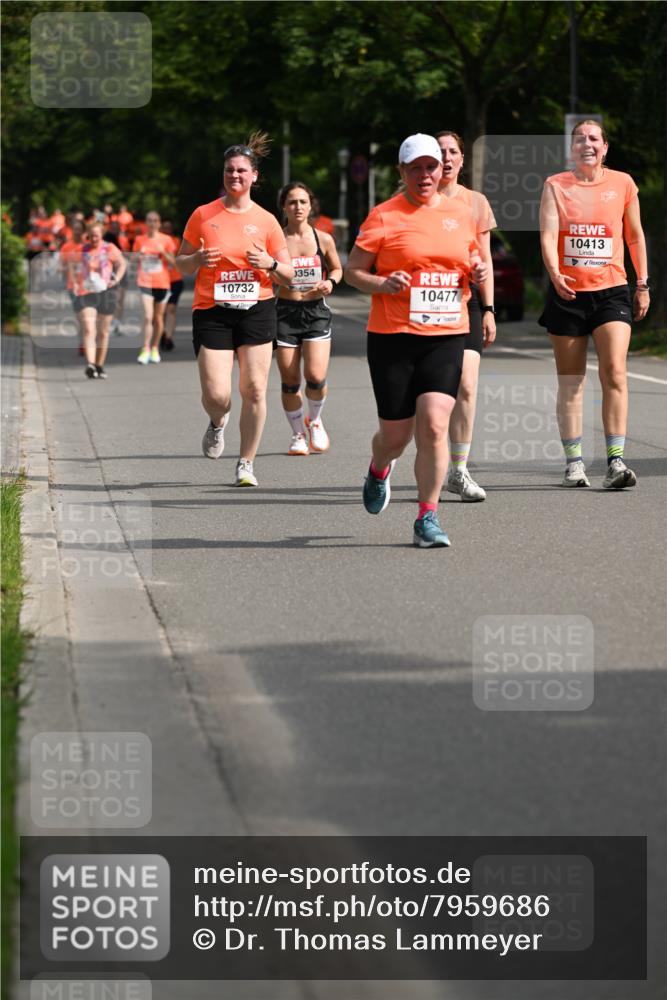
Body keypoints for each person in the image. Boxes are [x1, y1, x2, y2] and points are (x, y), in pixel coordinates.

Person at [345, 134, 485, 548]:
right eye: (416, 168)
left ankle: (427, 516)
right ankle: (378, 468)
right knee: (396, 435)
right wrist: (382, 283)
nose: (425, 175)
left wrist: (476, 273)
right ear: (402, 172)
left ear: (442, 170)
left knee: (436, 424)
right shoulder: (384, 216)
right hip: (393, 337)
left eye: (432, 167)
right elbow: (354, 271)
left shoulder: (462, 214)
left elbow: (473, 260)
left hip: (446, 334)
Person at [175, 132, 293, 487]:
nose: (235, 176)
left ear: (254, 176)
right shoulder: (203, 215)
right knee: (217, 395)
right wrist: (196, 258)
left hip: (257, 307)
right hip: (212, 309)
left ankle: (246, 462)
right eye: (229, 170)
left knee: (255, 390)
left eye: (242, 170)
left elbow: (289, 276)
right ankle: (217, 421)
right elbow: (180, 263)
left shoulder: (268, 221)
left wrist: (270, 263)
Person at [539, 119, 649, 489]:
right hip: (568, 293)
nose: (586, 143)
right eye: (579, 138)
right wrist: (555, 273)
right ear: (572, 148)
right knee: (572, 381)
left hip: (612, 290)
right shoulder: (556, 185)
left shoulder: (622, 183)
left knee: (614, 371)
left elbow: (634, 236)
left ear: (605, 148)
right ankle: (574, 463)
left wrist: (643, 284)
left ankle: (616, 463)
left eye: (594, 138)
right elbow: (549, 233)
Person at [436, 131, 497, 502]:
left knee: (467, 385)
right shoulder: (415, 201)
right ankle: (426, 457)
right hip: (427, 305)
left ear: (461, 160)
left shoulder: (476, 202)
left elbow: (485, 261)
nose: (446, 157)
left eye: (452, 151)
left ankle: (458, 470)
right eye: (439, 151)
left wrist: (489, 309)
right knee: (430, 391)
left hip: (467, 302)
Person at [275, 182, 343, 455]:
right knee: (290, 382)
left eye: (303, 202)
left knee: (315, 376)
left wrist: (331, 282)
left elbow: (338, 269)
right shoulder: (276, 239)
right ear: (284, 207)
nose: (298, 207)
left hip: (315, 312)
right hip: (285, 314)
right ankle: (297, 435)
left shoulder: (323, 238)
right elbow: (266, 275)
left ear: (311, 205)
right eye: (292, 202)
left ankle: (314, 420)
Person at [71, 222, 126, 378]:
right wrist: (75, 282)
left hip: (106, 292)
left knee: (103, 332)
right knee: (89, 328)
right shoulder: (82, 249)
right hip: (86, 292)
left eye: (97, 234)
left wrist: (116, 279)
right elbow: (73, 267)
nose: (94, 238)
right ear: (88, 235)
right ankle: (90, 364)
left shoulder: (109, 248)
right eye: (92, 235)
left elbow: (121, 263)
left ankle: (99, 365)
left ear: (101, 234)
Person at [133, 211, 175, 364]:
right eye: (149, 220)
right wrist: (138, 256)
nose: (152, 223)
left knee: (158, 318)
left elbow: (173, 263)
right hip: (145, 282)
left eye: (155, 220)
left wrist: (163, 252)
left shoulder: (166, 240)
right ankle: (145, 348)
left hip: (162, 283)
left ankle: (155, 347)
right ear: (146, 223)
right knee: (147, 316)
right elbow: (133, 259)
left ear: (159, 223)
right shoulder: (139, 239)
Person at [59, 218, 86, 354]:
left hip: (88, 286)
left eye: (80, 229)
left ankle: (88, 341)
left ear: (83, 231)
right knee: (79, 316)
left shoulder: (88, 246)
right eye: (75, 229)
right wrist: (68, 267)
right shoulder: (66, 247)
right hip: (73, 286)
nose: (77, 232)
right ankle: (82, 343)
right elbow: (61, 267)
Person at [160, 220, 183, 351]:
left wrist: (163, 252)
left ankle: (169, 337)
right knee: (160, 312)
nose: (166, 230)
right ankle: (162, 332)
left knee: (171, 309)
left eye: (169, 228)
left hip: (174, 279)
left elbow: (176, 260)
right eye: (164, 228)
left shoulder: (175, 241)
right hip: (158, 281)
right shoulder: (155, 241)